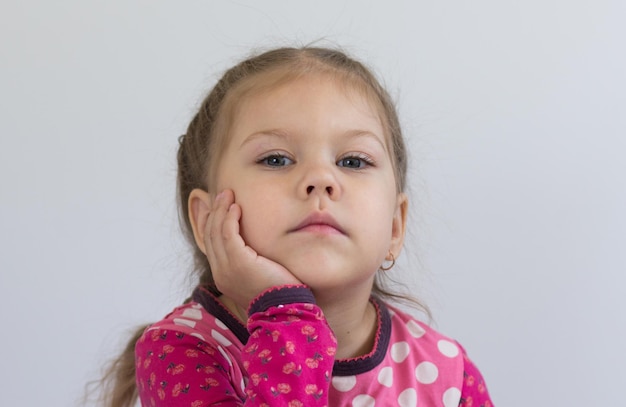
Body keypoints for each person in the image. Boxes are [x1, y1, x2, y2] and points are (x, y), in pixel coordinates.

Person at [98, 46, 494, 407]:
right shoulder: (183, 352)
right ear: (206, 220)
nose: (320, 179)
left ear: (394, 227)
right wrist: (285, 312)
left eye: (353, 161)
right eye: (276, 159)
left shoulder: (448, 378)